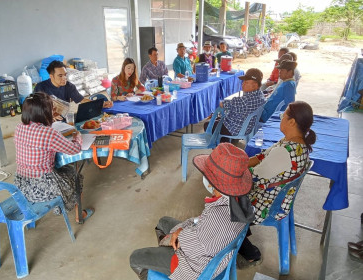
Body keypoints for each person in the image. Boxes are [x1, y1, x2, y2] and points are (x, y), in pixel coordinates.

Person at [130, 143, 254, 280]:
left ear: (213, 181)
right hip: (207, 243)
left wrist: (178, 234)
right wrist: (183, 228)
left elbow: (192, 246)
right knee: (163, 222)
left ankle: (161, 271)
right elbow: (200, 223)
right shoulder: (240, 200)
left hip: (194, 266)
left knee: (135, 258)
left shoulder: (217, 217)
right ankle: (163, 255)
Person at [237, 101, 316, 267]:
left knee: (224, 200)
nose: (281, 118)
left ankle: (246, 250)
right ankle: (240, 235)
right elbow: (263, 156)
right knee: (227, 190)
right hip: (278, 198)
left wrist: (230, 171)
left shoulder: (284, 152)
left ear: (292, 122)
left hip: (266, 204)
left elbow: (254, 177)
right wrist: (242, 162)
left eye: (283, 115)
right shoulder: (295, 144)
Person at [13, 92, 94, 223]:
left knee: (62, 169)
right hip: (44, 186)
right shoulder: (48, 133)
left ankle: (58, 206)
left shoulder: (19, 127)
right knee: (76, 176)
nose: (54, 110)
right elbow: (74, 149)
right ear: (44, 112)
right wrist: (77, 137)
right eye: (51, 108)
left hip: (22, 185)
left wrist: (48, 120)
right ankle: (78, 215)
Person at [203, 68, 266, 142]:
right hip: (246, 127)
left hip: (235, 129)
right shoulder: (260, 95)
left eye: (246, 82)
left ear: (255, 85)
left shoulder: (243, 101)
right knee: (219, 120)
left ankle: (222, 146)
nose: (243, 84)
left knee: (208, 125)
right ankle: (230, 141)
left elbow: (221, 104)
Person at [34, 60, 112, 108]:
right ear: (51, 76)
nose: (64, 78)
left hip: (64, 119)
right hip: (46, 120)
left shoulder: (69, 86)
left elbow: (82, 100)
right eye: (60, 76)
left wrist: (101, 104)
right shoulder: (41, 87)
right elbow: (36, 108)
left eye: (65, 75)